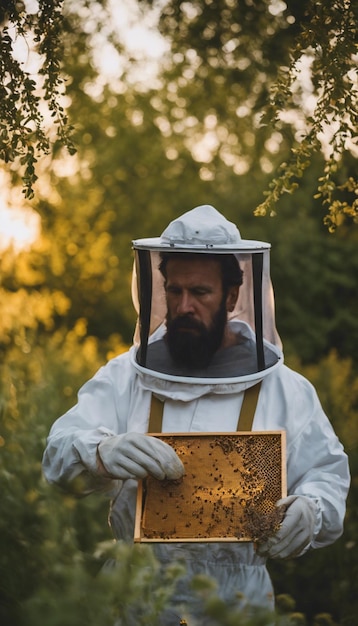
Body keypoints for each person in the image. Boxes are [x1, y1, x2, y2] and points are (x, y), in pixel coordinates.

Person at [42, 205, 350, 624]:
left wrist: (310, 512)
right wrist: (98, 451)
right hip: (134, 596)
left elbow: (327, 476)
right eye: (174, 290)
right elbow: (57, 454)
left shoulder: (285, 389)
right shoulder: (125, 377)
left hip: (237, 603)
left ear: (231, 295)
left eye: (200, 293)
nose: (183, 306)